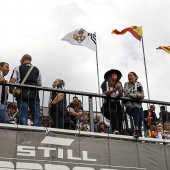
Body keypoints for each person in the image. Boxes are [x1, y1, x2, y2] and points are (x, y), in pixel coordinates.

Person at [9, 54, 42, 126]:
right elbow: (39, 85)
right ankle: (37, 132)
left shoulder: (18, 68)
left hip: (22, 94)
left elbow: (12, 81)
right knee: (36, 115)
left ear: (23, 60)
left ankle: (23, 131)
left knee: (23, 114)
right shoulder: (36, 69)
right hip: (34, 95)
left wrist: (11, 90)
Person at [101, 69, 124, 134]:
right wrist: (115, 89)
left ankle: (120, 131)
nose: (114, 75)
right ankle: (114, 130)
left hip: (117, 104)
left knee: (120, 116)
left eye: (115, 74)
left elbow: (121, 94)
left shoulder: (119, 84)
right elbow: (105, 92)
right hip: (107, 105)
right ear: (109, 76)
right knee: (113, 113)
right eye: (112, 74)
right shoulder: (105, 83)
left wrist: (120, 90)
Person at [124, 72, 144, 137]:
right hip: (129, 106)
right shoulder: (126, 84)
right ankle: (136, 128)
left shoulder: (139, 84)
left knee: (140, 122)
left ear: (135, 77)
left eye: (131, 75)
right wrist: (138, 96)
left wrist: (136, 96)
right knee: (136, 108)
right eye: (128, 76)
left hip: (139, 106)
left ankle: (138, 134)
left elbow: (142, 95)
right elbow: (127, 94)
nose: (129, 77)